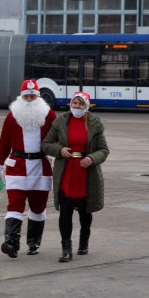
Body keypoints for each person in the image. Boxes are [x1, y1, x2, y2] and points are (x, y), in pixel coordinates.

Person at [0, 79, 57, 258]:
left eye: (33, 96)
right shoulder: (12, 116)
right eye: (26, 97)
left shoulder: (49, 116)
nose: (29, 100)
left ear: (38, 97)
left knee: (37, 207)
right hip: (17, 166)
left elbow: (57, 141)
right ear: (21, 98)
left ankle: (33, 243)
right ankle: (11, 243)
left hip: (40, 168)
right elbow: (4, 144)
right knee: (14, 205)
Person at [41, 92, 109, 262]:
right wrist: (60, 150)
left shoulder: (95, 123)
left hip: (86, 173)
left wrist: (92, 159)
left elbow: (104, 149)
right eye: (74, 103)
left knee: (85, 213)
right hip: (67, 172)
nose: (76, 107)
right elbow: (46, 144)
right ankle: (66, 249)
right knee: (65, 211)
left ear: (86, 106)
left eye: (80, 104)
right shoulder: (61, 121)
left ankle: (84, 241)